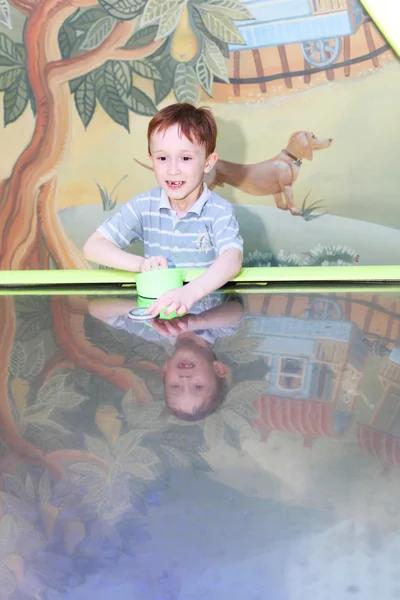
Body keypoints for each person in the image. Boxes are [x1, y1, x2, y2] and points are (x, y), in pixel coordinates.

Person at [83, 103, 243, 318]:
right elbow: (93, 247)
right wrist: (141, 264)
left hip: (204, 316)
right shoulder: (143, 206)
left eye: (186, 158)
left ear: (208, 162)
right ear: (152, 161)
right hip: (156, 317)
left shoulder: (219, 210)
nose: (172, 169)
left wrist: (189, 293)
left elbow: (232, 258)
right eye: (162, 158)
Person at [88, 295, 245, 421]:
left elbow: (95, 309)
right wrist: (193, 322)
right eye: (197, 387)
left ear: (165, 370)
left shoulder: (154, 329)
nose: (185, 379)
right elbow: (236, 311)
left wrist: (149, 308)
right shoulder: (220, 328)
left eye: (175, 386)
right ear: (217, 368)